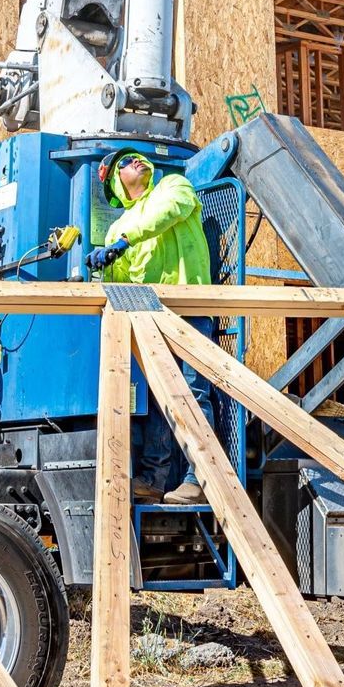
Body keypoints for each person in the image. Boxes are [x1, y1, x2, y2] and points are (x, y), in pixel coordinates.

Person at [85, 149, 227, 505]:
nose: (136, 160)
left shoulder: (174, 188)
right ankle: (153, 479)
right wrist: (100, 274)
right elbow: (120, 287)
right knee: (157, 398)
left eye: (136, 158)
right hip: (152, 319)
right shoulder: (118, 229)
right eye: (125, 163)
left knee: (193, 394)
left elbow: (166, 215)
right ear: (118, 184)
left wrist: (122, 243)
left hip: (192, 307)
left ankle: (200, 480)